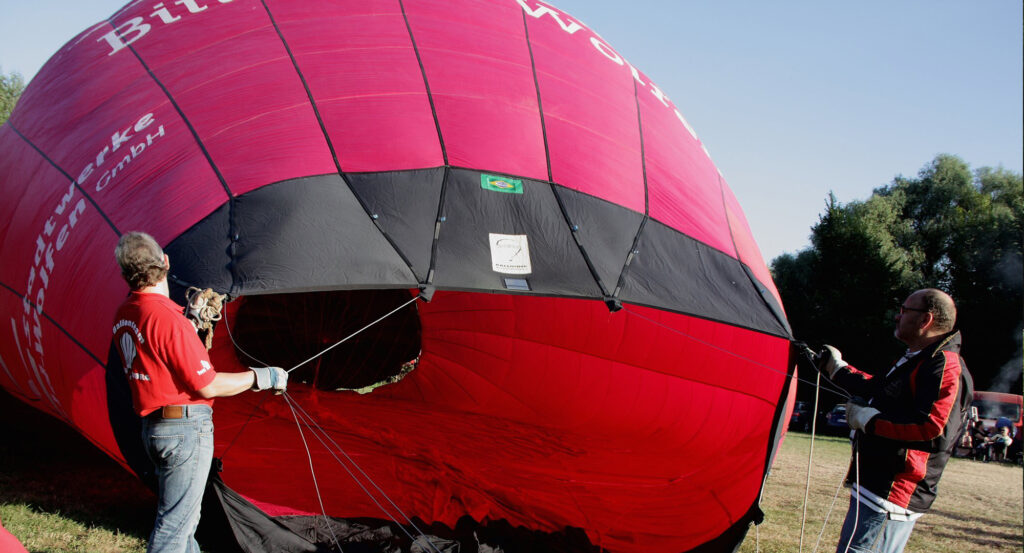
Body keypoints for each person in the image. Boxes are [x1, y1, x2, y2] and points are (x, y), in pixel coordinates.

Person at [112, 231, 287, 553]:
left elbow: (157, 354)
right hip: (184, 431)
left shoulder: (126, 312)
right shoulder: (167, 320)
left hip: (154, 428)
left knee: (187, 526)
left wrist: (189, 325)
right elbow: (207, 385)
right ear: (165, 262)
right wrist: (263, 377)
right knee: (174, 530)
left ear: (125, 273)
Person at [816, 288, 973, 553]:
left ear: (925, 320)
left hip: (893, 489)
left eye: (904, 311)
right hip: (876, 480)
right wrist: (838, 369)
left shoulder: (944, 366)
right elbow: (879, 389)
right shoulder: (917, 358)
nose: (897, 317)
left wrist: (869, 420)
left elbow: (933, 428)